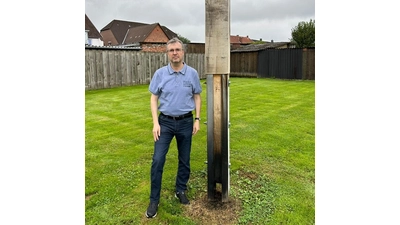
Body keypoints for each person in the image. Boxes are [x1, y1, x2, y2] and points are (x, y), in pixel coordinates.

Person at [145, 37, 202, 218]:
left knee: (184, 159)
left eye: (178, 49)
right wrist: (156, 123)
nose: (175, 53)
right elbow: (154, 98)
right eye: (171, 50)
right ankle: (154, 199)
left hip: (186, 122)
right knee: (158, 160)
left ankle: (181, 190)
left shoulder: (192, 73)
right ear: (167, 53)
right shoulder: (160, 74)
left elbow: (197, 96)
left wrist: (197, 119)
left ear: (183, 52)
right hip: (165, 123)